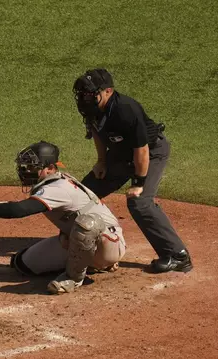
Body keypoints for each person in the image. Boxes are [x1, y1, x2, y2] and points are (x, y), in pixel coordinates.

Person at [0, 141, 126, 294]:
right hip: (87, 241)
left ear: (50, 168)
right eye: (25, 166)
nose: (26, 171)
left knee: (86, 225)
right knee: (22, 263)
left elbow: (19, 209)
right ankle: (93, 263)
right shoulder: (51, 184)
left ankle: (73, 278)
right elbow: (14, 205)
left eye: (32, 167)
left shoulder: (58, 188)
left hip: (109, 241)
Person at [72, 68, 192, 273]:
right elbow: (98, 133)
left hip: (150, 153)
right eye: (83, 93)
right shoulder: (91, 107)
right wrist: (101, 162)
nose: (85, 97)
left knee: (139, 202)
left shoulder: (126, 109)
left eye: (91, 93)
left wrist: (138, 183)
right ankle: (90, 251)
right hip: (121, 154)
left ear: (108, 91)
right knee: (84, 194)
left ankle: (177, 255)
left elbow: (142, 150)